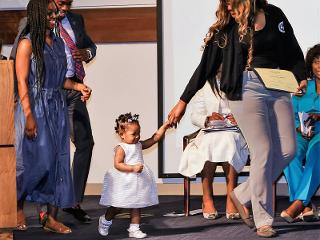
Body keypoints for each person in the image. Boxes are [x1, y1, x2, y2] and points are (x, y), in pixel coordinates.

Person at [168, 0, 307, 237]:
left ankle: (242, 193)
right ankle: (263, 219)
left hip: (277, 84)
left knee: (288, 149)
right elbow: (205, 68)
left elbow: (292, 50)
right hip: (245, 87)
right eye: (225, 4)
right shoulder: (226, 29)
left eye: (232, 3)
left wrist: (300, 77)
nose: (228, 7)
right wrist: (182, 101)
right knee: (262, 150)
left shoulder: (274, 14)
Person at [14, 0, 91, 234]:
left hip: (56, 106)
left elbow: (59, 81)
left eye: (55, 12)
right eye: (50, 13)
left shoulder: (57, 43)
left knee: (59, 162)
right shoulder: (27, 45)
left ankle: (50, 218)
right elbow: (22, 82)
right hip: (35, 107)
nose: (55, 16)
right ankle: (15, 209)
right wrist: (28, 115)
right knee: (31, 162)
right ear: (36, 15)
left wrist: (78, 87)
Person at [52, 0, 97, 223]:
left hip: (75, 88)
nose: (66, 8)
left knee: (85, 143)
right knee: (53, 148)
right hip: (51, 91)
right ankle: (46, 207)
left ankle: (73, 202)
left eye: (69, 3)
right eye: (62, 3)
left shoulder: (76, 20)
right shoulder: (36, 21)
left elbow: (91, 46)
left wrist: (86, 53)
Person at [179, 81, 249, 220]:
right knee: (209, 143)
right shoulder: (203, 87)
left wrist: (239, 117)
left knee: (229, 141)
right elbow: (195, 116)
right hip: (210, 131)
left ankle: (231, 197)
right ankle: (207, 198)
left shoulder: (241, 82)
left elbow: (250, 110)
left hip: (235, 132)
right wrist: (207, 118)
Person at [98, 113, 170, 238]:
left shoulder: (139, 145)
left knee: (137, 203)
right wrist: (132, 168)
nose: (137, 137)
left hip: (138, 180)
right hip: (124, 180)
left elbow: (155, 138)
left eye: (139, 133)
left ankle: (134, 228)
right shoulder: (121, 148)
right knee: (118, 206)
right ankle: (105, 220)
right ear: (122, 135)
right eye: (133, 134)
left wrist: (165, 126)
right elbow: (118, 164)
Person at [281, 44, 320, 223]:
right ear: (310, 65)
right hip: (302, 132)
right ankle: (306, 205)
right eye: (316, 62)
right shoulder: (303, 87)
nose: (319, 66)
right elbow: (291, 113)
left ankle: (297, 204)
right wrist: (299, 126)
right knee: (289, 153)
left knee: (316, 154)